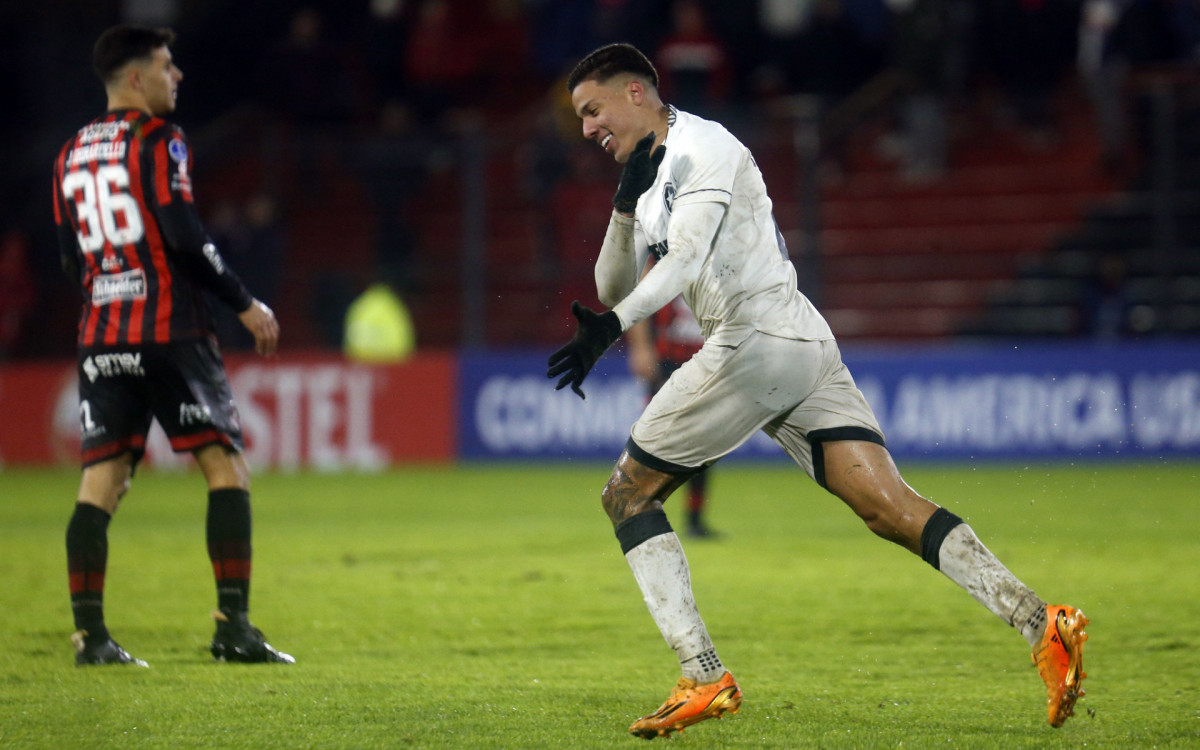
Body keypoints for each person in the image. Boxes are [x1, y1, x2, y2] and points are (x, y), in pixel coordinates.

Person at [547, 43, 1087, 739]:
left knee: (626, 495)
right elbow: (610, 285)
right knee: (889, 509)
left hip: (756, 337)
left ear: (636, 94)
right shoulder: (649, 180)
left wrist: (614, 328)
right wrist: (624, 210)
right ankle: (1043, 624)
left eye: (593, 110)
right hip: (799, 341)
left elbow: (679, 264)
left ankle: (704, 675)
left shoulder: (704, 146)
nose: (588, 129)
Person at [52, 25, 292, 667]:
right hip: (170, 331)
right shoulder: (159, 140)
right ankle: (232, 626)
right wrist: (244, 302)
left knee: (100, 483)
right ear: (136, 78)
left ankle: (91, 638)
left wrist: (107, 297)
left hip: (101, 336)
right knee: (225, 467)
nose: (176, 75)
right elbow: (183, 235)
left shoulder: (70, 153)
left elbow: (69, 258)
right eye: (165, 65)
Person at [625, 295, 717, 538]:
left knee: (704, 443)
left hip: (706, 360)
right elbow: (640, 300)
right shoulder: (659, 258)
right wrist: (641, 347)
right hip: (667, 361)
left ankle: (694, 520)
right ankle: (640, 511)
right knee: (656, 439)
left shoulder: (718, 263)